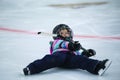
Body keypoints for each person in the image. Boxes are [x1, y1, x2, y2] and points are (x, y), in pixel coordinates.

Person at [23, 24, 111, 76]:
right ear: (57, 35)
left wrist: (85, 53)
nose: (65, 34)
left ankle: (97, 67)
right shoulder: (56, 42)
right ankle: (31, 68)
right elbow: (63, 44)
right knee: (50, 59)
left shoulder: (72, 43)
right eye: (62, 33)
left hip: (70, 59)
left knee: (80, 60)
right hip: (59, 56)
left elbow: (77, 54)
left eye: (66, 33)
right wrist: (71, 45)